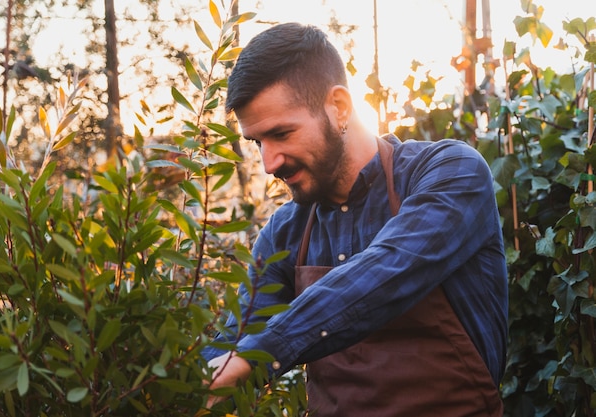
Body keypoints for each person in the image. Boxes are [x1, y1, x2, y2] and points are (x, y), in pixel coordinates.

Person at [203, 22, 507, 416]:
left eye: (282, 133)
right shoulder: (284, 233)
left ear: (340, 107)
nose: (268, 163)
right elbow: (236, 339)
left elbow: (387, 270)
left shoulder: (449, 173)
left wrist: (257, 355)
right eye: (258, 142)